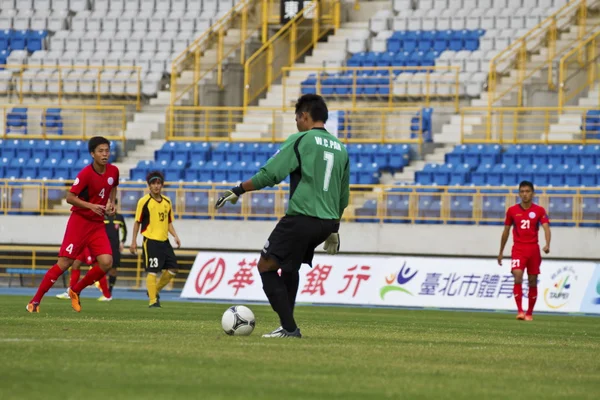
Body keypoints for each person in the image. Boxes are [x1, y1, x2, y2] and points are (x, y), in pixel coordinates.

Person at [215, 94, 350, 338]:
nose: (296, 123)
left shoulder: (301, 139)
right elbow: (343, 196)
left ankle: (289, 328)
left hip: (302, 217)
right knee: (290, 267)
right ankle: (287, 326)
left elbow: (270, 175)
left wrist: (238, 189)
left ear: (305, 116)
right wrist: (334, 229)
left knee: (266, 265)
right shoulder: (341, 149)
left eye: (297, 118)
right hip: (326, 223)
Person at [26, 136, 119, 313]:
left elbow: (113, 186)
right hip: (80, 222)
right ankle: (35, 301)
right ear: (92, 154)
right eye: (101, 151)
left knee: (107, 262)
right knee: (65, 262)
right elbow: (70, 197)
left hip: (97, 224)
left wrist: (111, 203)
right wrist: (91, 206)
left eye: (107, 150)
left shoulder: (113, 171)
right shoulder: (85, 174)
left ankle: (75, 290)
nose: (105, 154)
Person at [498, 181, 551, 321]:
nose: (524, 194)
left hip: (533, 249)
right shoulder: (512, 211)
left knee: (532, 281)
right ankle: (520, 311)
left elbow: (546, 228)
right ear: (519, 193)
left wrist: (547, 244)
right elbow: (506, 232)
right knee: (517, 275)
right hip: (518, 249)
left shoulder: (539, 210)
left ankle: (529, 313)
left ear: (532, 193)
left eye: (527, 191)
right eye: (522, 191)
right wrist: (501, 251)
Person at [130, 171, 181, 308]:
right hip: (151, 241)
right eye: (153, 183)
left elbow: (168, 222)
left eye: (159, 183)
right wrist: (133, 241)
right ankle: (153, 301)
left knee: (173, 268)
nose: (156, 186)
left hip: (165, 241)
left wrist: (175, 236)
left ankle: (154, 290)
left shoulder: (167, 201)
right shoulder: (144, 201)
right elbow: (137, 222)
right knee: (152, 271)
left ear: (162, 185)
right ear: (149, 186)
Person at [103, 198, 127, 296]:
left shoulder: (119, 217)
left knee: (113, 270)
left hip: (115, 247)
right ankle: (103, 288)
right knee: (101, 268)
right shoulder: (102, 217)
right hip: (103, 247)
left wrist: (122, 242)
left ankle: (110, 290)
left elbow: (124, 231)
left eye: (113, 204)